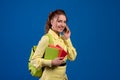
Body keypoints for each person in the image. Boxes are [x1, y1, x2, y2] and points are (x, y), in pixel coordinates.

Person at [31, 9, 77, 80]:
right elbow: (34, 61)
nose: (62, 25)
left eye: (64, 22)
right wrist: (51, 62)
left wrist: (68, 39)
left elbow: (72, 57)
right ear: (51, 22)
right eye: (59, 21)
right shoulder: (46, 38)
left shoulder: (63, 39)